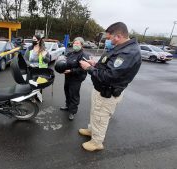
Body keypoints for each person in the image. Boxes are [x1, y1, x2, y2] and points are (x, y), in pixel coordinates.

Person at [79, 22, 142, 151]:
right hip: (101, 89)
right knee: (95, 113)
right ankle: (93, 131)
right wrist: (95, 64)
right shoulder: (120, 47)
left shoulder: (128, 53)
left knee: (101, 117)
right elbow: (109, 66)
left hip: (107, 92)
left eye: (108, 38)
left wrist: (89, 68)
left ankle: (97, 142)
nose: (107, 40)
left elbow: (110, 76)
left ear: (117, 36)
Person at [59, 37, 89, 120]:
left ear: (82, 45)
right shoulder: (71, 53)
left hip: (76, 78)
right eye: (74, 43)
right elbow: (64, 60)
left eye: (77, 43)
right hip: (68, 77)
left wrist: (71, 71)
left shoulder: (83, 55)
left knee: (74, 94)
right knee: (67, 92)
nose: (75, 45)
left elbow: (83, 69)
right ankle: (68, 106)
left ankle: (72, 111)